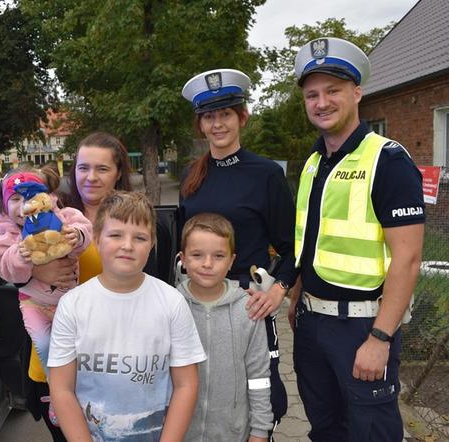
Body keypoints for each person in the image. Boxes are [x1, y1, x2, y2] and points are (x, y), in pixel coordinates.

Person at [290, 37, 425, 441]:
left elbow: (408, 258)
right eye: (312, 94)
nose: (322, 102)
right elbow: (308, 239)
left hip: (362, 327)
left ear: (356, 92)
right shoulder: (314, 162)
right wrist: (297, 298)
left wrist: (380, 338)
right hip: (311, 324)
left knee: (371, 431)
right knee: (325, 429)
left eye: (333, 91)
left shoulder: (388, 160)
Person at [180, 68, 296, 434]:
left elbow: (293, 249)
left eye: (226, 114)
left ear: (242, 117)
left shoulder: (265, 175)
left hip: (248, 306)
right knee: (198, 389)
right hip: (196, 307)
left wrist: (278, 290)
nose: (217, 124)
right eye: (209, 117)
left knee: (262, 396)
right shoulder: (190, 177)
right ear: (200, 124)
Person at [48, 191, 206, 441]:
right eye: (115, 235)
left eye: (140, 237)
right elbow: (61, 388)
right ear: (97, 240)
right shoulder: (72, 306)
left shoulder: (172, 302)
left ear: (152, 244)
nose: (127, 245)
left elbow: (186, 385)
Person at [24, 132, 134, 439]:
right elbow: (5, 259)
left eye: (102, 169)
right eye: (84, 168)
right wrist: (36, 270)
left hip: (114, 364)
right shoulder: (51, 217)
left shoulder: (134, 222)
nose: (91, 177)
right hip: (55, 362)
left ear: (119, 173)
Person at [0, 165, 93, 425]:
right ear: (3, 206)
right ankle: (58, 396)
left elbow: (85, 230)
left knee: (80, 350)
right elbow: (2, 267)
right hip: (34, 304)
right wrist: (22, 258)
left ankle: (81, 390)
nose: (25, 205)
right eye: (15, 199)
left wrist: (76, 235)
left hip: (70, 301)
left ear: (46, 195)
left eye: (31, 195)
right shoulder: (7, 236)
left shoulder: (64, 216)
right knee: (45, 346)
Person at [177, 213, 273, 441]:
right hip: (180, 433)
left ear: (231, 260)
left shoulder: (248, 309)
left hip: (233, 433)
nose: (207, 264)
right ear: (183, 258)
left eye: (219, 256)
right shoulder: (171, 306)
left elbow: (259, 375)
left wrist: (259, 431)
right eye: (197, 255)